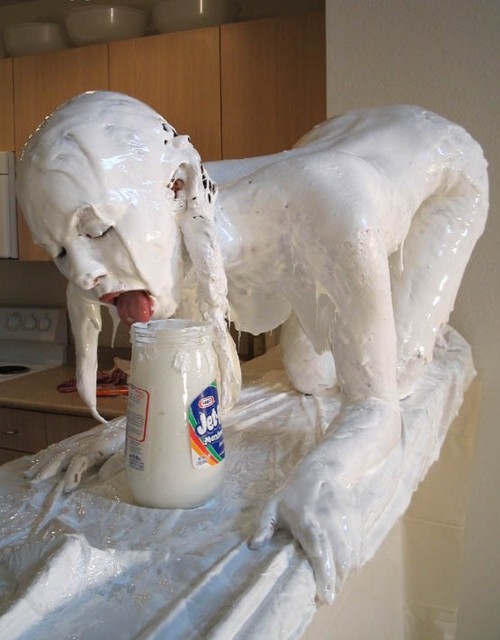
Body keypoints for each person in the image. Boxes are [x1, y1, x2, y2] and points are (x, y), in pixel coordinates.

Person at [16, 91, 488, 602]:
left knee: (396, 371)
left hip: (443, 168)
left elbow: (376, 407)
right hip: (328, 147)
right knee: (307, 372)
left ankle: (409, 318)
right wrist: (125, 434)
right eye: (61, 250)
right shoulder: (168, 210)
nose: (83, 273)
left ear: (177, 185)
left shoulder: (332, 208)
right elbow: (208, 388)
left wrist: (320, 475)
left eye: (98, 230)